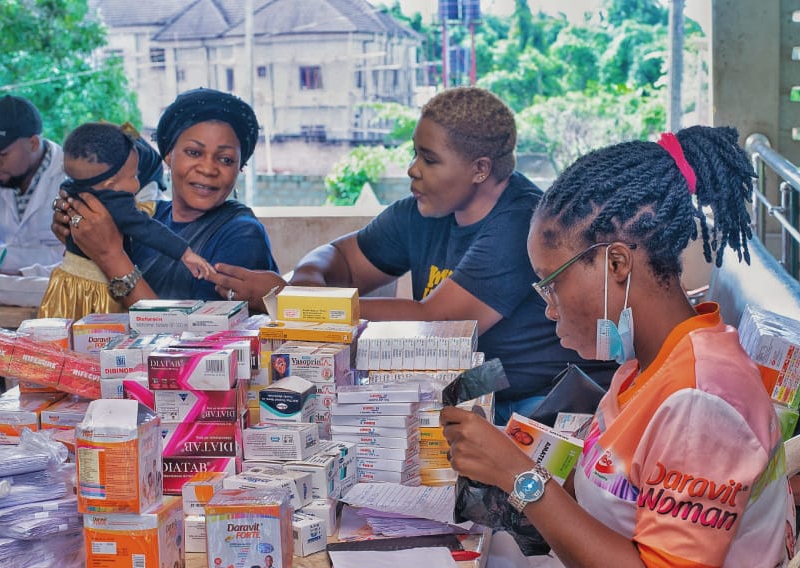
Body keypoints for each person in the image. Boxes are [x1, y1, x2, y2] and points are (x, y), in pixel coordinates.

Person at [437, 126, 795, 568]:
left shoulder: (702, 402)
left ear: (617, 265)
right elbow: (625, 502)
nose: (548, 306)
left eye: (550, 282)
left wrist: (520, 476)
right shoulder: (644, 368)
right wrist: (521, 466)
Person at [210, 86, 616, 420]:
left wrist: (293, 302)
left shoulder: (521, 223)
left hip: (537, 396)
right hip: (472, 382)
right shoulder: (426, 209)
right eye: (415, 153)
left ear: (480, 169)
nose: (412, 169)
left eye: (429, 159)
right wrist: (305, 289)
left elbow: (436, 321)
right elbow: (341, 257)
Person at [51, 88, 277, 305]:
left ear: (240, 167)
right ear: (169, 156)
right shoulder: (150, 215)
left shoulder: (242, 235)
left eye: (226, 159)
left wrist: (110, 256)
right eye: (194, 153)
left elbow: (202, 335)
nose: (208, 169)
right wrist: (78, 236)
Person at [39, 122, 214, 320]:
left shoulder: (70, 187)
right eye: (134, 176)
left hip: (64, 282)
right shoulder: (116, 201)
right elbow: (147, 229)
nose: (138, 183)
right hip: (97, 290)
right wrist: (185, 252)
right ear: (110, 184)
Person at [0, 95, 66, 425]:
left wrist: (0, 258)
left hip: (60, 291)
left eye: (1, 153)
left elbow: (74, 256)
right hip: (13, 297)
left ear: (33, 143)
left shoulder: (68, 177)